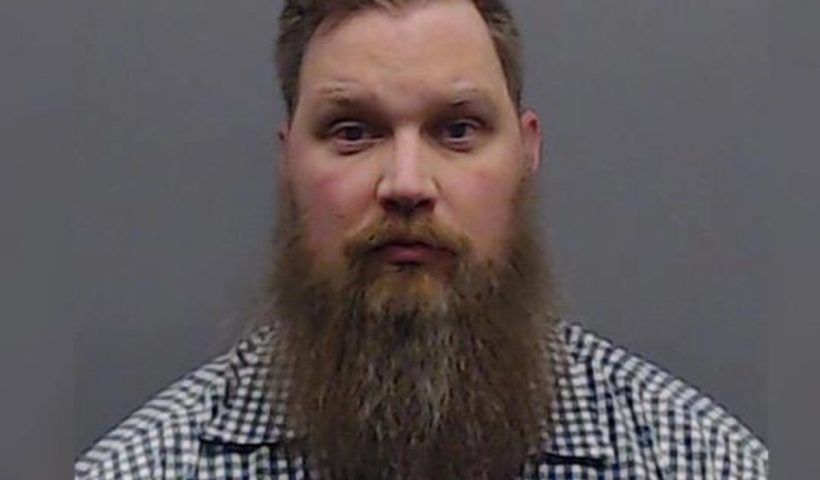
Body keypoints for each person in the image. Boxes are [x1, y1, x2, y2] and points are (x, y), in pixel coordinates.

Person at [75, 0, 768, 478]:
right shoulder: (146, 466)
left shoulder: (702, 462)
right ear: (288, 163)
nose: (406, 183)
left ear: (526, 153)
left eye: (457, 129)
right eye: (353, 131)